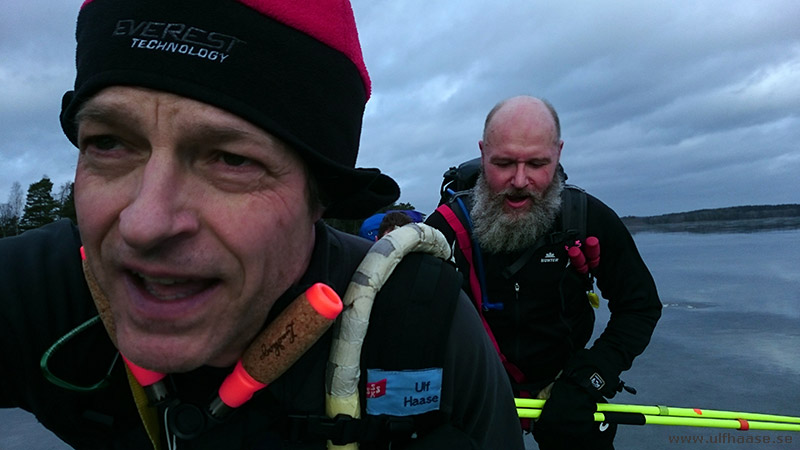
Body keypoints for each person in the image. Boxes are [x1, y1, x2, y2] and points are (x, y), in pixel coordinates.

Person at [0, 1, 525, 449]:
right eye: (108, 144)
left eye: (230, 159)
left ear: (318, 195)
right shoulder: (35, 292)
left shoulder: (418, 324)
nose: (144, 223)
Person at [425, 96, 662, 449]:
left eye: (537, 164)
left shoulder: (585, 218)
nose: (520, 181)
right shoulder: (444, 231)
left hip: (566, 384)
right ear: (483, 151)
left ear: (559, 154)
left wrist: (593, 375)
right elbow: (412, 324)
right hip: (476, 389)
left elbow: (640, 305)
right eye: (503, 163)